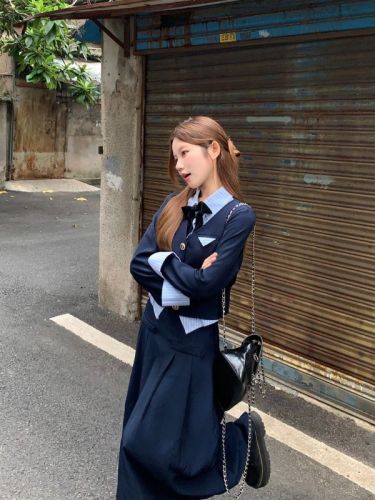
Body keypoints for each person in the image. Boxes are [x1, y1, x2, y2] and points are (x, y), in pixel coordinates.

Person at [116, 116, 271, 499]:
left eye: (185, 153)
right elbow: (138, 263)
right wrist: (177, 267)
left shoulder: (238, 216)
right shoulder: (174, 204)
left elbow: (211, 284)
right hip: (154, 336)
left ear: (213, 150)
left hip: (190, 344)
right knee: (147, 441)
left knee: (148, 446)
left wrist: (163, 263)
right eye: (176, 157)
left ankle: (241, 439)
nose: (180, 165)